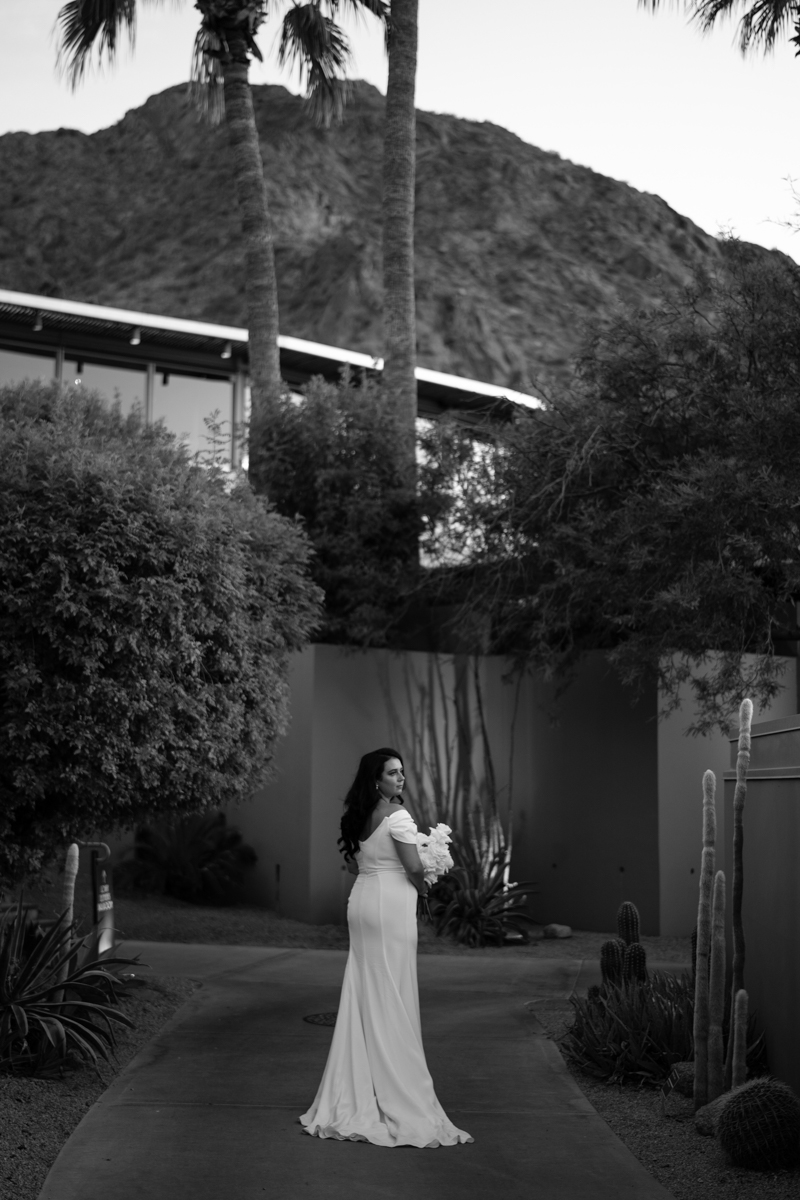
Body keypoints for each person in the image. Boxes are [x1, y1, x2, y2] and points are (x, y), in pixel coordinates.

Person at [299, 747, 473, 1149]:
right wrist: (425, 883)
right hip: (390, 908)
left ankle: (355, 1090)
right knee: (392, 990)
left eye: (402, 773)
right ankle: (397, 1091)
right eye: (393, 773)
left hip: (362, 904)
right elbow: (413, 867)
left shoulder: (359, 816)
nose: (400, 779)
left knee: (365, 990)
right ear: (376, 779)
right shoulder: (398, 816)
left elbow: (354, 866)